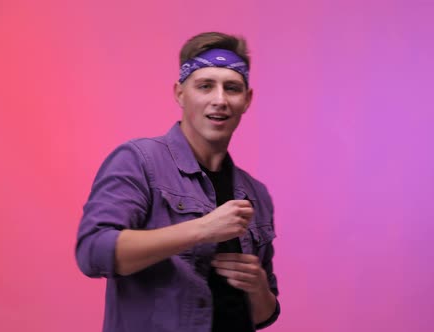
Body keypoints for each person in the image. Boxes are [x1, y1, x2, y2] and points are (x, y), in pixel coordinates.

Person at [75, 31, 280, 332]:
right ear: (180, 93)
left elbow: (264, 315)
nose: (219, 100)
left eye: (232, 88)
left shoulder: (256, 194)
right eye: (205, 86)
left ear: (247, 100)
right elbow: (93, 252)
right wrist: (200, 229)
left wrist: (259, 287)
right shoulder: (139, 161)